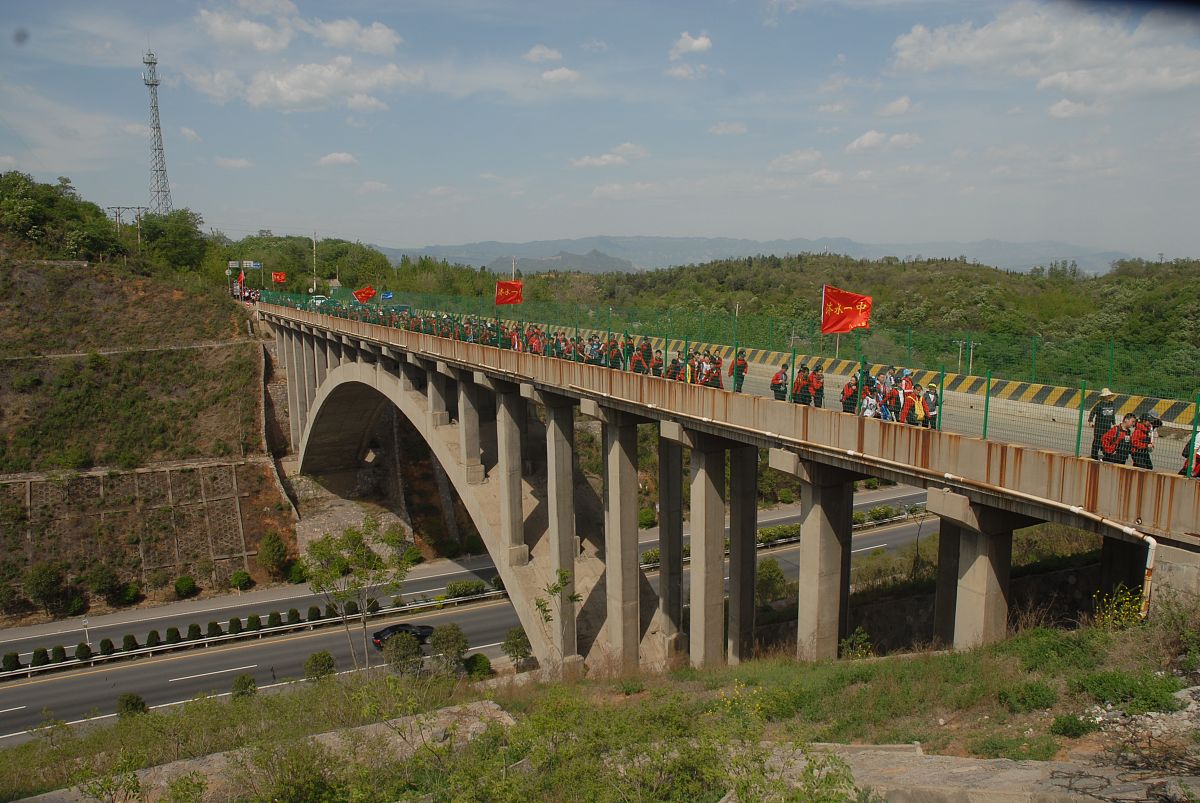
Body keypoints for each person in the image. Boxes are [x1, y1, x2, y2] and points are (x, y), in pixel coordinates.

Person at [1088, 388, 1117, 460]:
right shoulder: (1099, 405)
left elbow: (1112, 414)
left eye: (1109, 395)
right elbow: (1092, 412)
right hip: (1099, 427)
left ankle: (1107, 454)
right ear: (1104, 396)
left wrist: (1114, 423)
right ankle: (1094, 455)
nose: (1108, 397)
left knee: (1107, 440)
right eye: (1107, 395)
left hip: (1107, 427)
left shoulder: (1111, 404)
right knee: (1097, 441)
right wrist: (1090, 421)